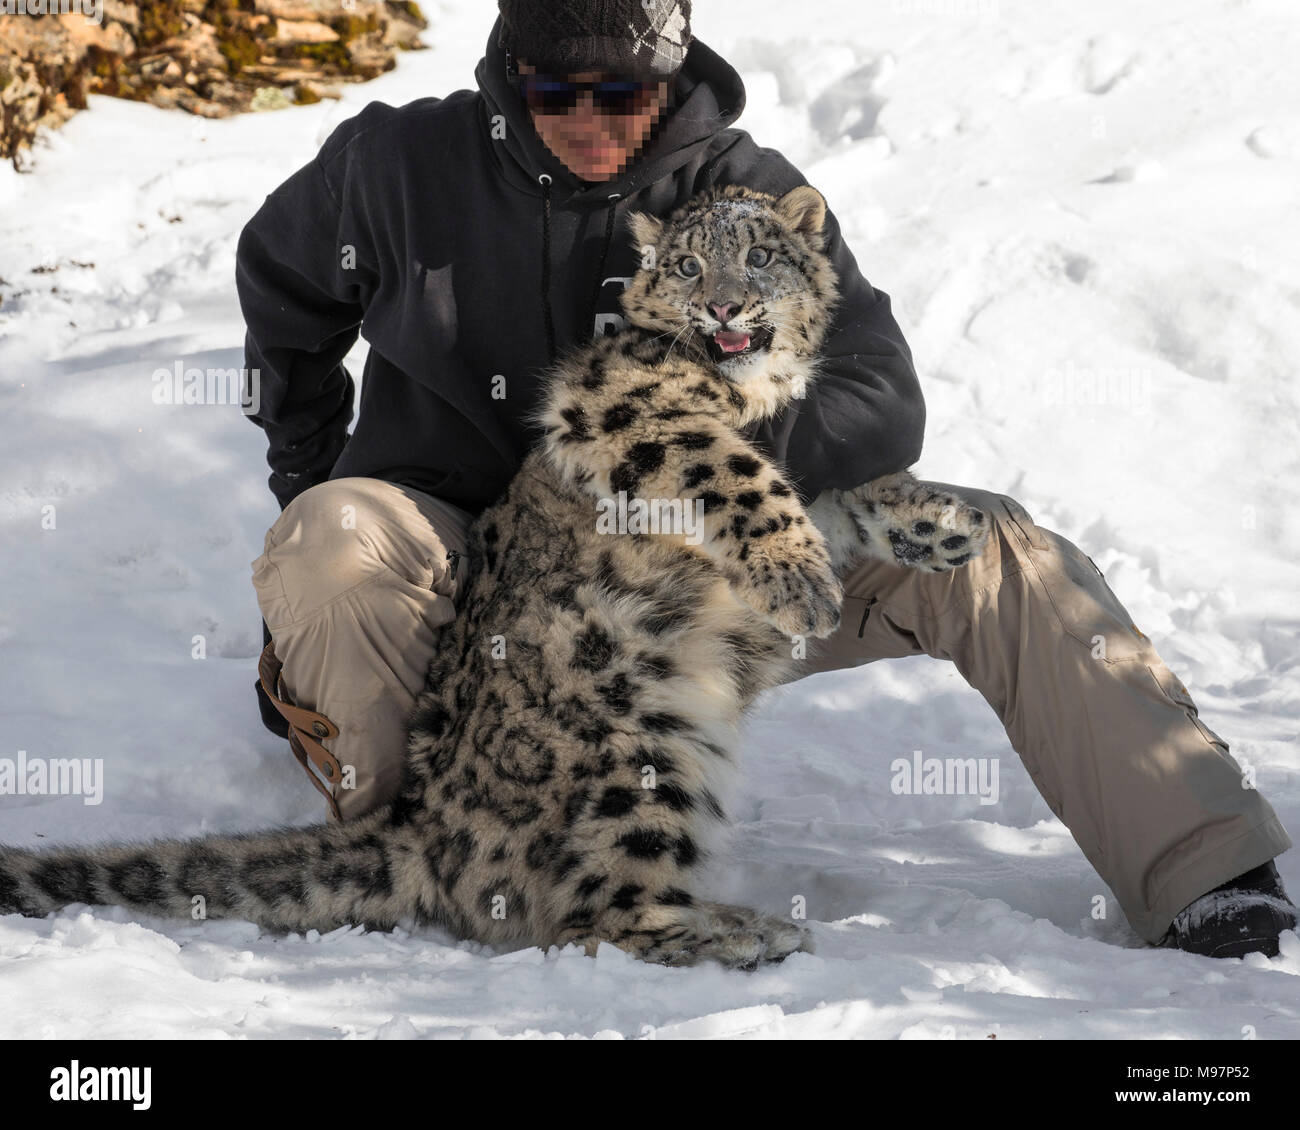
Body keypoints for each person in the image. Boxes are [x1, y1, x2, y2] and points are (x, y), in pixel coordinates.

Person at [236, 0, 1296, 958]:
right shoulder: (397, 163)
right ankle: (397, 849)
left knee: (995, 545)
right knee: (333, 541)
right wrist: (308, 469)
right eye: (558, 91)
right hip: (459, 550)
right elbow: (280, 285)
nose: (595, 119)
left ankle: (1202, 869)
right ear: (509, 71)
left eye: (627, 93)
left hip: (692, 571)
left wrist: (698, 475)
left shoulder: (748, 190)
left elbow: (882, 397)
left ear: (673, 73)